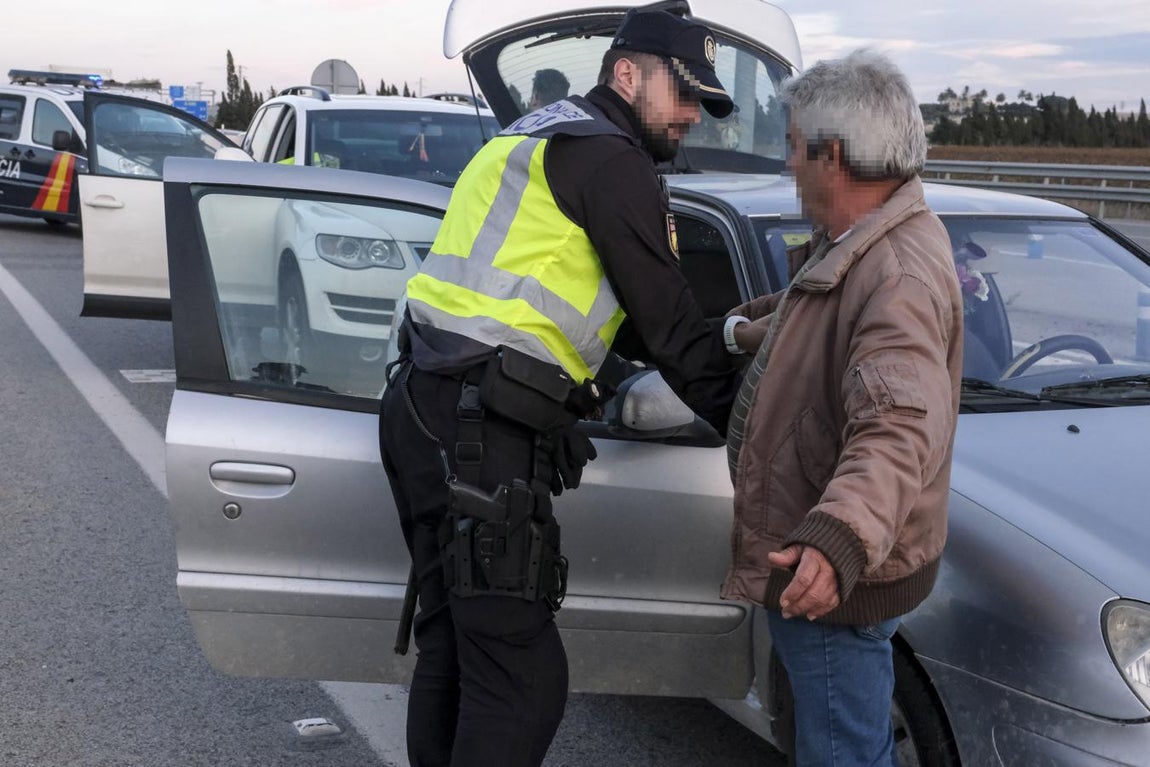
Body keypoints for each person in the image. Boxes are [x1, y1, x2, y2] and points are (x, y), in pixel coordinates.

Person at [378, 9, 740, 767]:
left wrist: (732, 332)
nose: (689, 116)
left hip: (422, 405)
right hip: (481, 430)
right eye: (682, 94)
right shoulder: (610, 160)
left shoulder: (536, 134)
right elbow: (673, 335)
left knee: (457, 648)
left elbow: (618, 315)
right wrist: (758, 430)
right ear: (627, 74)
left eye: (702, 102)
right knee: (522, 679)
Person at [722, 49, 964, 765]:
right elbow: (816, 311)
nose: (788, 163)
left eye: (794, 146)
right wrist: (737, 331)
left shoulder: (895, 274)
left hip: (831, 584)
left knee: (843, 755)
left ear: (832, 156)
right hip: (834, 575)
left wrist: (837, 539)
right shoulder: (865, 239)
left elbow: (898, 425)